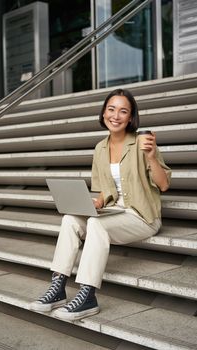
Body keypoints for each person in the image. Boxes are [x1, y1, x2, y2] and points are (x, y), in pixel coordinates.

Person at [30, 88, 171, 321]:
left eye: (123, 111)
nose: (115, 116)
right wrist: (97, 201)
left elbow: (164, 184)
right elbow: (105, 189)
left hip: (142, 216)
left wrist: (152, 157)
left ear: (131, 117)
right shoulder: (100, 148)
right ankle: (58, 287)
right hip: (114, 211)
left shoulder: (142, 143)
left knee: (96, 226)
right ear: (104, 112)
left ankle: (87, 295)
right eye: (111, 109)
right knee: (70, 220)